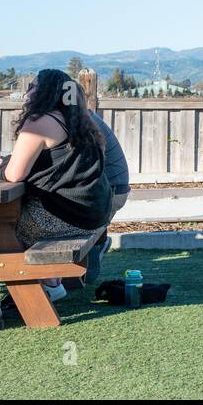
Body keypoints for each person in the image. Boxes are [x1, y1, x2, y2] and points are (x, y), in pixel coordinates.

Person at [0, 69, 111, 332]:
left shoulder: (40, 121)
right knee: (7, 224)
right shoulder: (84, 123)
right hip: (93, 217)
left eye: (34, 87)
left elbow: (15, 174)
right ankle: (50, 283)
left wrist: (0, 166)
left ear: (47, 92)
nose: (28, 92)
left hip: (64, 220)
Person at [82, 111, 129, 285]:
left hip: (110, 192)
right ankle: (98, 240)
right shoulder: (80, 116)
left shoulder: (76, 121)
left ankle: (95, 245)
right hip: (111, 189)